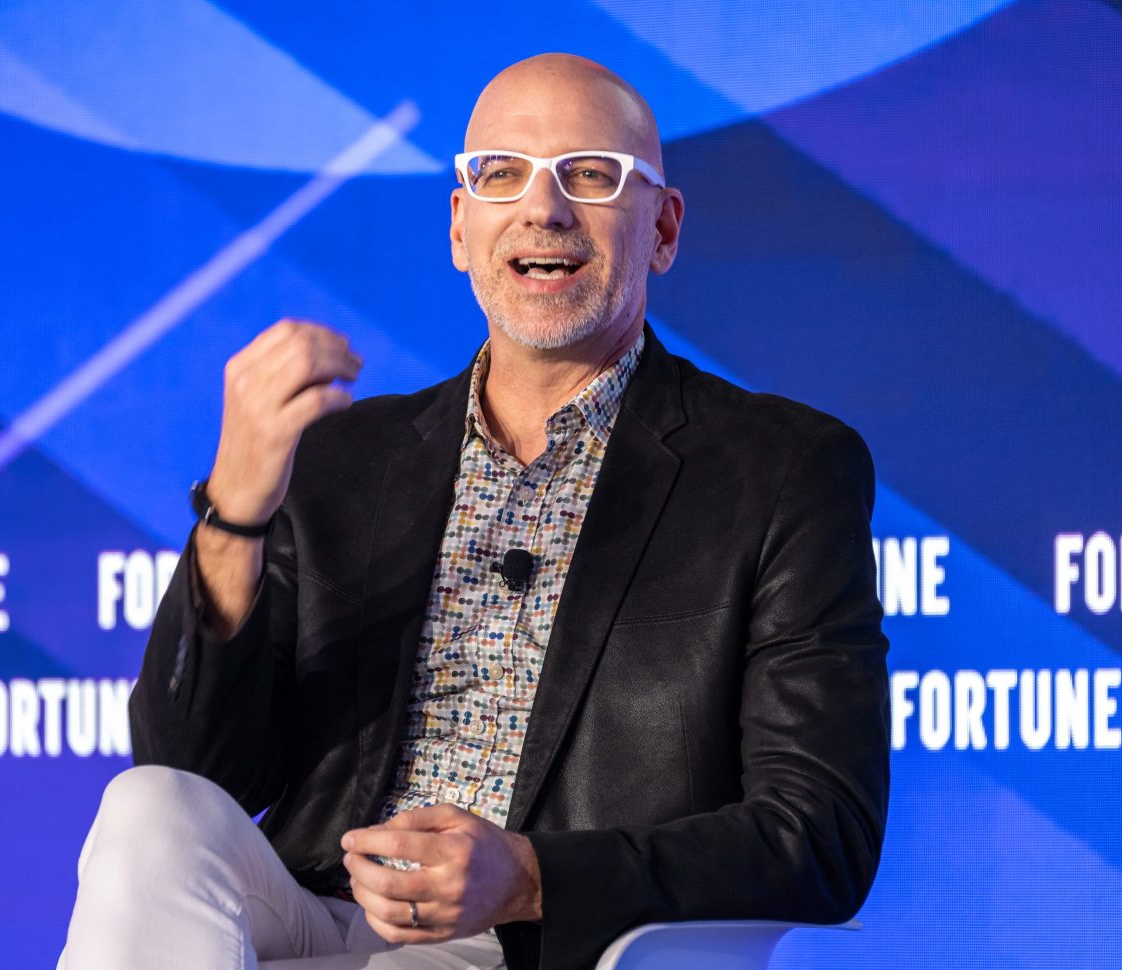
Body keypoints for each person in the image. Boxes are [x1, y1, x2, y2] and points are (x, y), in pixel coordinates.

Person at [58, 53, 889, 970]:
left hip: (535, 946)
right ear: (461, 227)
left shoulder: (780, 471)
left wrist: (529, 877)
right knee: (147, 811)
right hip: (316, 913)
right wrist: (236, 513)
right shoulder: (341, 458)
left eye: (591, 174)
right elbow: (195, 769)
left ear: (663, 227)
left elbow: (821, 835)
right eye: (502, 174)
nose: (544, 208)